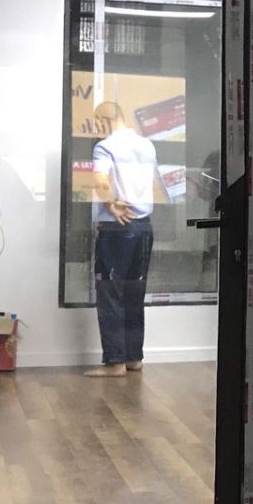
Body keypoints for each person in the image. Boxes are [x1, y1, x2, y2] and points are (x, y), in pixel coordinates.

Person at [85, 101, 159, 378]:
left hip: (116, 231)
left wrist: (111, 203)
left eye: (97, 124)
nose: (96, 129)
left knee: (110, 295)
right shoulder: (147, 145)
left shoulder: (105, 146)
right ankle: (133, 358)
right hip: (143, 229)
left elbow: (100, 179)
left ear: (103, 121)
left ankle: (115, 362)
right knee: (134, 294)